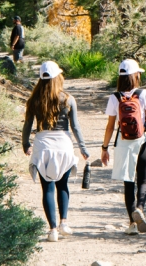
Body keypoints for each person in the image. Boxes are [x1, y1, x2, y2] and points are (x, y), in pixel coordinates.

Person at [23, 60, 90, 243]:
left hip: (43, 144)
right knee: (63, 185)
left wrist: (25, 144)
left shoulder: (34, 100)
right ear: (57, 77)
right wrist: (83, 148)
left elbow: (28, 125)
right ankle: (64, 223)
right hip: (63, 144)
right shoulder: (68, 99)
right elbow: (75, 127)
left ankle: (52, 229)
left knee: (47, 188)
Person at [99, 58, 146, 235]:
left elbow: (110, 126)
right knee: (143, 180)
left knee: (128, 182)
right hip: (142, 140)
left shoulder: (114, 97)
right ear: (135, 76)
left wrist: (104, 148)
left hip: (123, 141)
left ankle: (132, 224)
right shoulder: (144, 94)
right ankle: (140, 209)